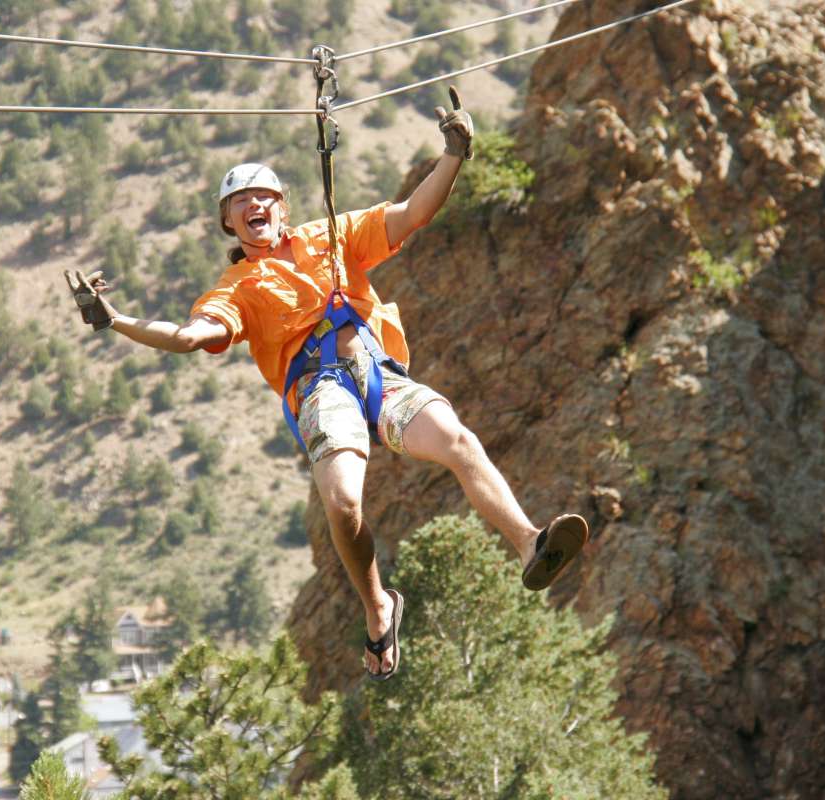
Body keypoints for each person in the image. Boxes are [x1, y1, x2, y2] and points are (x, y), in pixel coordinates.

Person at [65, 88, 588, 680]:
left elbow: (413, 214)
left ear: (282, 207)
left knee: (459, 441)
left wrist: (454, 156)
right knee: (342, 504)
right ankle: (378, 608)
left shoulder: (331, 236)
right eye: (241, 201)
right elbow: (188, 337)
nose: (255, 204)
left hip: (379, 373)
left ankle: (528, 543)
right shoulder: (235, 288)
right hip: (321, 390)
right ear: (227, 221)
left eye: (264, 195)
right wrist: (117, 321)